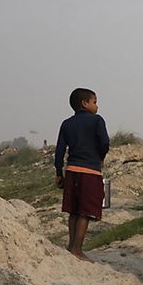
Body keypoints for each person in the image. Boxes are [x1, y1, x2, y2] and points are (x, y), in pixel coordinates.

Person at [54, 87, 110, 262]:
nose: (97, 106)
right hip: (90, 171)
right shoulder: (97, 120)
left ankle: (71, 246)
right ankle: (77, 250)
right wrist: (100, 157)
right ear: (84, 103)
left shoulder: (66, 123)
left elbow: (60, 150)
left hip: (71, 170)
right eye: (94, 102)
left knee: (73, 210)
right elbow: (105, 142)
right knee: (85, 212)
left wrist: (58, 173)